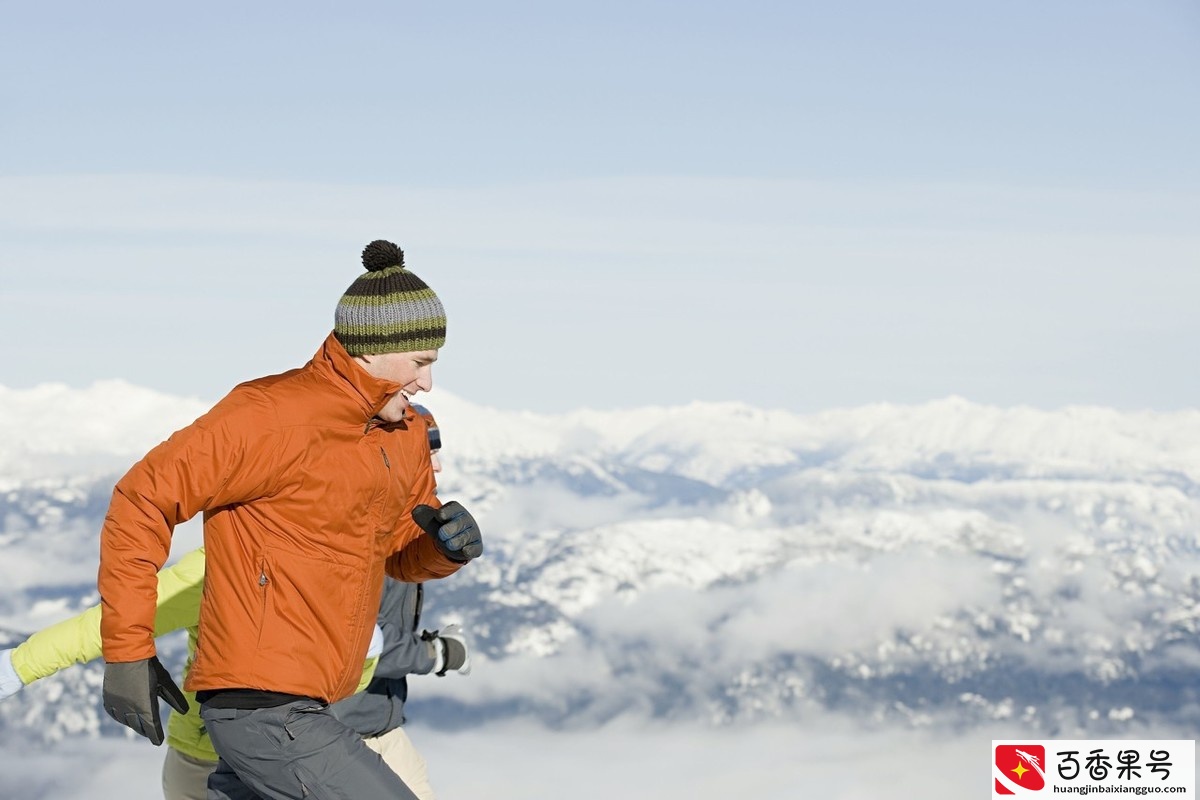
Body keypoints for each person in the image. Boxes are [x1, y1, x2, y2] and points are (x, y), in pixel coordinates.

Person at [97, 240, 483, 800]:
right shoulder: (269, 418)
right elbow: (141, 500)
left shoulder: (406, 435)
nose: (427, 383)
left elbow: (396, 554)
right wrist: (129, 650)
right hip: (259, 703)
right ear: (371, 350)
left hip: (318, 699)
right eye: (421, 362)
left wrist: (443, 549)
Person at [0, 405, 468, 800]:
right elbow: (103, 623)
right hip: (215, 758)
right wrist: (15, 668)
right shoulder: (222, 563)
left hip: (332, 743)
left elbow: (355, 662)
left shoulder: (373, 548)